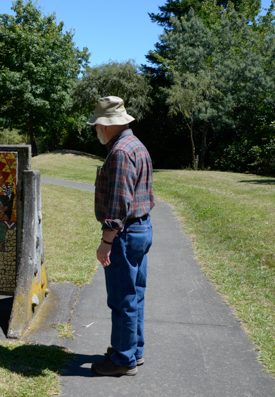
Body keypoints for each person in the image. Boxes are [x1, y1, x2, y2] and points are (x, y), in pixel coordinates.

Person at [88, 96, 154, 377]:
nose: (95, 131)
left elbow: (118, 203)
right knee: (134, 294)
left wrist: (106, 241)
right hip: (142, 228)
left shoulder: (119, 152)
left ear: (106, 125)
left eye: (96, 125)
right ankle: (132, 350)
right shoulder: (136, 145)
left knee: (121, 298)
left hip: (125, 234)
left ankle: (122, 359)